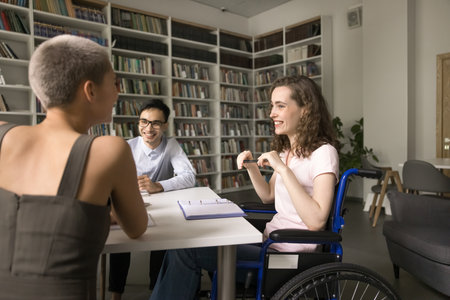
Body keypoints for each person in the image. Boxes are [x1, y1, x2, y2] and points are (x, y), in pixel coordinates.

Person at [149, 75, 339, 299]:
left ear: (305, 110)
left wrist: (283, 170)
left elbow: (317, 220)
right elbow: (268, 196)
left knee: (187, 249)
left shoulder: (323, 153)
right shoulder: (288, 151)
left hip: (286, 255)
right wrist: (251, 167)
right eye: (271, 106)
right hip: (269, 243)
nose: (272, 114)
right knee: (185, 241)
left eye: (280, 106)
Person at [0, 34, 148, 299]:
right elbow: (136, 229)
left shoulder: (2, 136)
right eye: (114, 82)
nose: (118, 91)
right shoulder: (110, 149)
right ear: (90, 90)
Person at [109, 99, 196, 299]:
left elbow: (190, 177)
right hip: (130, 202)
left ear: (165, 125)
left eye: (156, 123)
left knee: (163, 239)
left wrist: (159, 186)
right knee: (121, 240)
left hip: (163, 204)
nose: (149, 128)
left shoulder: (171, 145)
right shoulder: (127, 147)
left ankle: (156, 291)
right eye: (144, 122)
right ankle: (116, 294)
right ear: (138, 123)